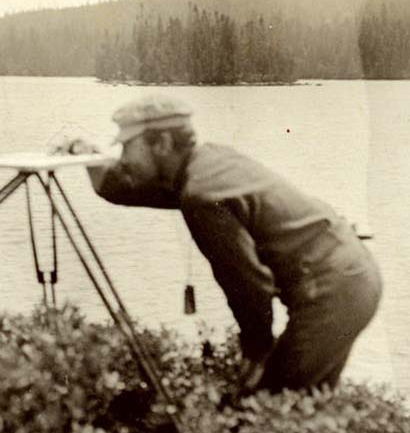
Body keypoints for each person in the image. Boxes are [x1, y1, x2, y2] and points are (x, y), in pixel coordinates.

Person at [62, 93, 382, 396]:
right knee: (308, 402)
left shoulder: (202, 196)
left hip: (332, 292)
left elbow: (248, 282)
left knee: (270, 407)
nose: (123, 158)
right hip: (353, 274)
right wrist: (93, 162)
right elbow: (137, 188)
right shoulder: (209, 162)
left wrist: (256, 352)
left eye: (128, 147)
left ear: (162, 144)